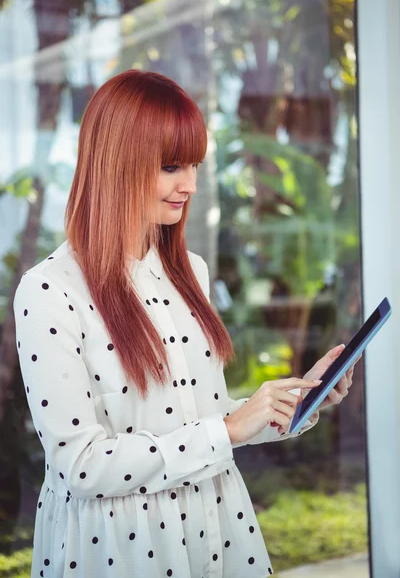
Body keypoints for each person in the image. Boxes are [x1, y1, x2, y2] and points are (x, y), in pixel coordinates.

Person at [13, 69, 357, 578]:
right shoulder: (50, 290)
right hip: (120, 548)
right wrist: (228, 429)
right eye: (171, 166)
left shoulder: (188, 270)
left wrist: (295, 402)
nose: (189, 185)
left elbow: (208, 419)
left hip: (217, 522)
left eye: (193, 165)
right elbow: (80, 465)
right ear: (116, 163)